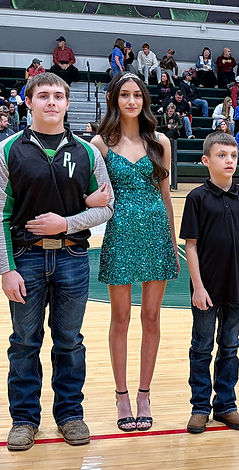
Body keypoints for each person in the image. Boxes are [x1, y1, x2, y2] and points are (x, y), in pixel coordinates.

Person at [0, 72, 114, 450]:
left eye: (58, 96)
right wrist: (6, 269)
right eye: (43, 96)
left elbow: (107, 206)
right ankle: (25, 419)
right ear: (28, 102)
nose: (51, 102)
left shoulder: (87, 152)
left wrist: (68, 222)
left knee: (69, 342)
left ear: (66, 103)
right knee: (24, 342)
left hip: (73, 258)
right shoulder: (6, 150)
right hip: (25, 258)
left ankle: (70, 414)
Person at [92, 72, 177, 433]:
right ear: (115, 99)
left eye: (137, 95)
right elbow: (94, 193)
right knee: (121, 318)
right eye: (124, 95)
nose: (131, 101)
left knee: (152, 318)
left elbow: (166, 194)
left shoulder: (160, 141)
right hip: (120, 231)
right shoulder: (99, 143)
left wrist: (173, 242)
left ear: (144, 100)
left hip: (156, 230)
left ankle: (144, 393)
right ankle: (122, 394)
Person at [181, 131, 239, 434]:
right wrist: (198, 287)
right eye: (221, 155)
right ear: (206, 160)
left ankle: (226, 405)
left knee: (229, 346)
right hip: (207, 289)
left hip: (237, 287)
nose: (229, 161)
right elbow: (190, 246)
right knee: (202, 347)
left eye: (233, 156)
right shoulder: (197, 198)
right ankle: (200, 406)